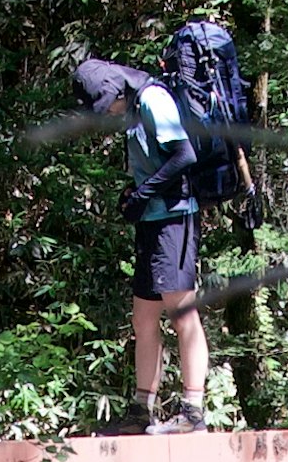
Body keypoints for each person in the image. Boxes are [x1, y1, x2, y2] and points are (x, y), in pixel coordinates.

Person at [69, 47, 215, 428]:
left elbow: (183, 155)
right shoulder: (134, 106)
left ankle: (193, 413)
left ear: (117, 92)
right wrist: (135, 197)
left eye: (107, 106)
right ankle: (140, 411)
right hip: (152, 222)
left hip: (174, 220)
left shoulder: (153, 99)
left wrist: (144, 193)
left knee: (183, 312)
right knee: (144, 317)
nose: (109, 114)